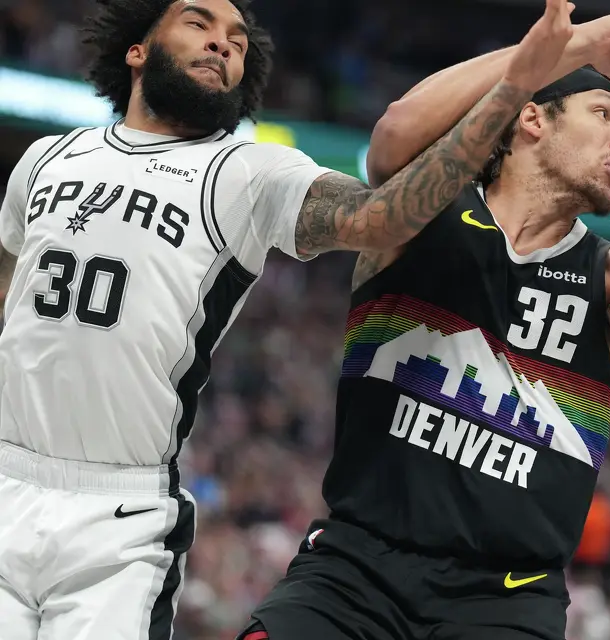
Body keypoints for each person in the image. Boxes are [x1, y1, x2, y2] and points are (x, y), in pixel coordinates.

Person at [0, 0, 576, 635]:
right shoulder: (49, 157)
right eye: (200, 24)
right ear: (137, 49)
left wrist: (514, 85)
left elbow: (380, 218)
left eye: (238, 42)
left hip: (116, 517)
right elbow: (13, 285)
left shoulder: (249, 172)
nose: (223, 44)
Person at [238, 1, 610, 638]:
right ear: (531, 118)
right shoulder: (420, 219)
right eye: (605, 114)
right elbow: (394, 136)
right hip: (355, 571)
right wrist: (584, 43)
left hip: (505, 602)